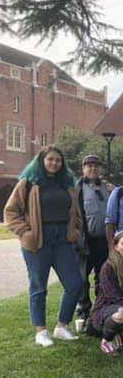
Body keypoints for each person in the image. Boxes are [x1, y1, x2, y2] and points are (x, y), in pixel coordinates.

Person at [4, 146, 84, 347]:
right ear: (42, 161)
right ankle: (40, 331)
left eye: (58, 160)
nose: (54, 163)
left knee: (75, 284)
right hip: (38, 240)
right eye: (50, 159)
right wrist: (26, 232)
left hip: (63, 240)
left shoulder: (67, 184)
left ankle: (62, 326)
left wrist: (75, 230)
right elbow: (11, 211)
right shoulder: (29, 183)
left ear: (62, 163)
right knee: (39, 286)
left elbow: (76, 213)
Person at [75, 154, 109, 324]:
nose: (93, 169)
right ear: (83, 169)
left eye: (96, 166)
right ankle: (83, 309)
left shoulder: (107, 188)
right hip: (85, 241)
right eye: (89, 166)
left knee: (102, 277)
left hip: (104, 241)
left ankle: (100, 307)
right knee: (82, 278)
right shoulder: (77, 188)